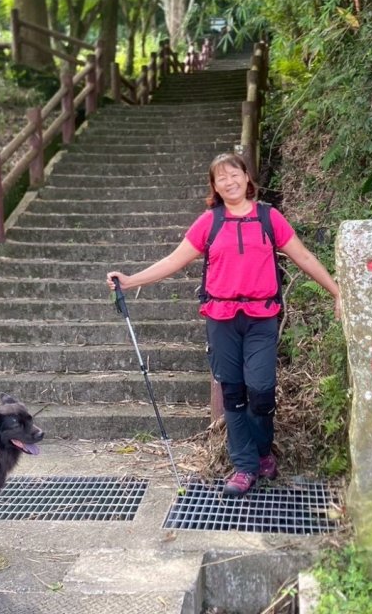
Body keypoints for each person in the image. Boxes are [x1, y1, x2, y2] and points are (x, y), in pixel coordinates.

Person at [106, 152, 342, 497]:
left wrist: (336, 291)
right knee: (232, 393)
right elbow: (174, 260)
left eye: (235, 174)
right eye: (221, 178)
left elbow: (303, 255)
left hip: (261, 318)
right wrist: (129, 280)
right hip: (221, 320)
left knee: (261, 391)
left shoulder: (268, 218)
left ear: (247, 178)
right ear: (214, 186)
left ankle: (262, 453)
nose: (229, 182)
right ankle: (244, 466)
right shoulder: (210, 221)